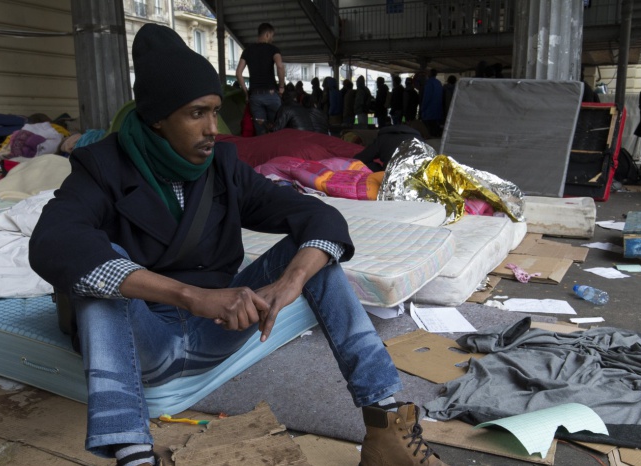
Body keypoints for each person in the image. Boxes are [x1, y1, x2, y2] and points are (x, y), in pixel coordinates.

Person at [29, 24, 448, 466]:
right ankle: (134, 455)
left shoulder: (223, 167)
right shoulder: (100, 167)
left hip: (215, 336)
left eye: (215, 112)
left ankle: (385, 424)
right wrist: (192, 296)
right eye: (197, 114)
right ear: (157, 117)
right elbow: (56, 241)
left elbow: (317, 214)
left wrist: (291, 281)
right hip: (144, 340)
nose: (213, 129)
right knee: (98, 276)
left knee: (315, 251)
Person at [235, 23, 285, 136]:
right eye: (272, 35)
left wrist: (246, 93)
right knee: (277, 130)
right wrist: (281, 86)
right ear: (267, 34)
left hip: (255, 97)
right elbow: (280, 66)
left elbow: (238, 73)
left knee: (261, 132)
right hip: (271, 94)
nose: (273, 38)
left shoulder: (247, 50)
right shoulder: (273, 49)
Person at [419, 69, 444, 137]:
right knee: (436, 132)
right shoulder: (438, 83)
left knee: (429, 133)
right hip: (438, 112)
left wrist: (422, 109)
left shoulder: (429, 83)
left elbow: (427, 98)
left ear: (430, 74)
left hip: (429, 113)